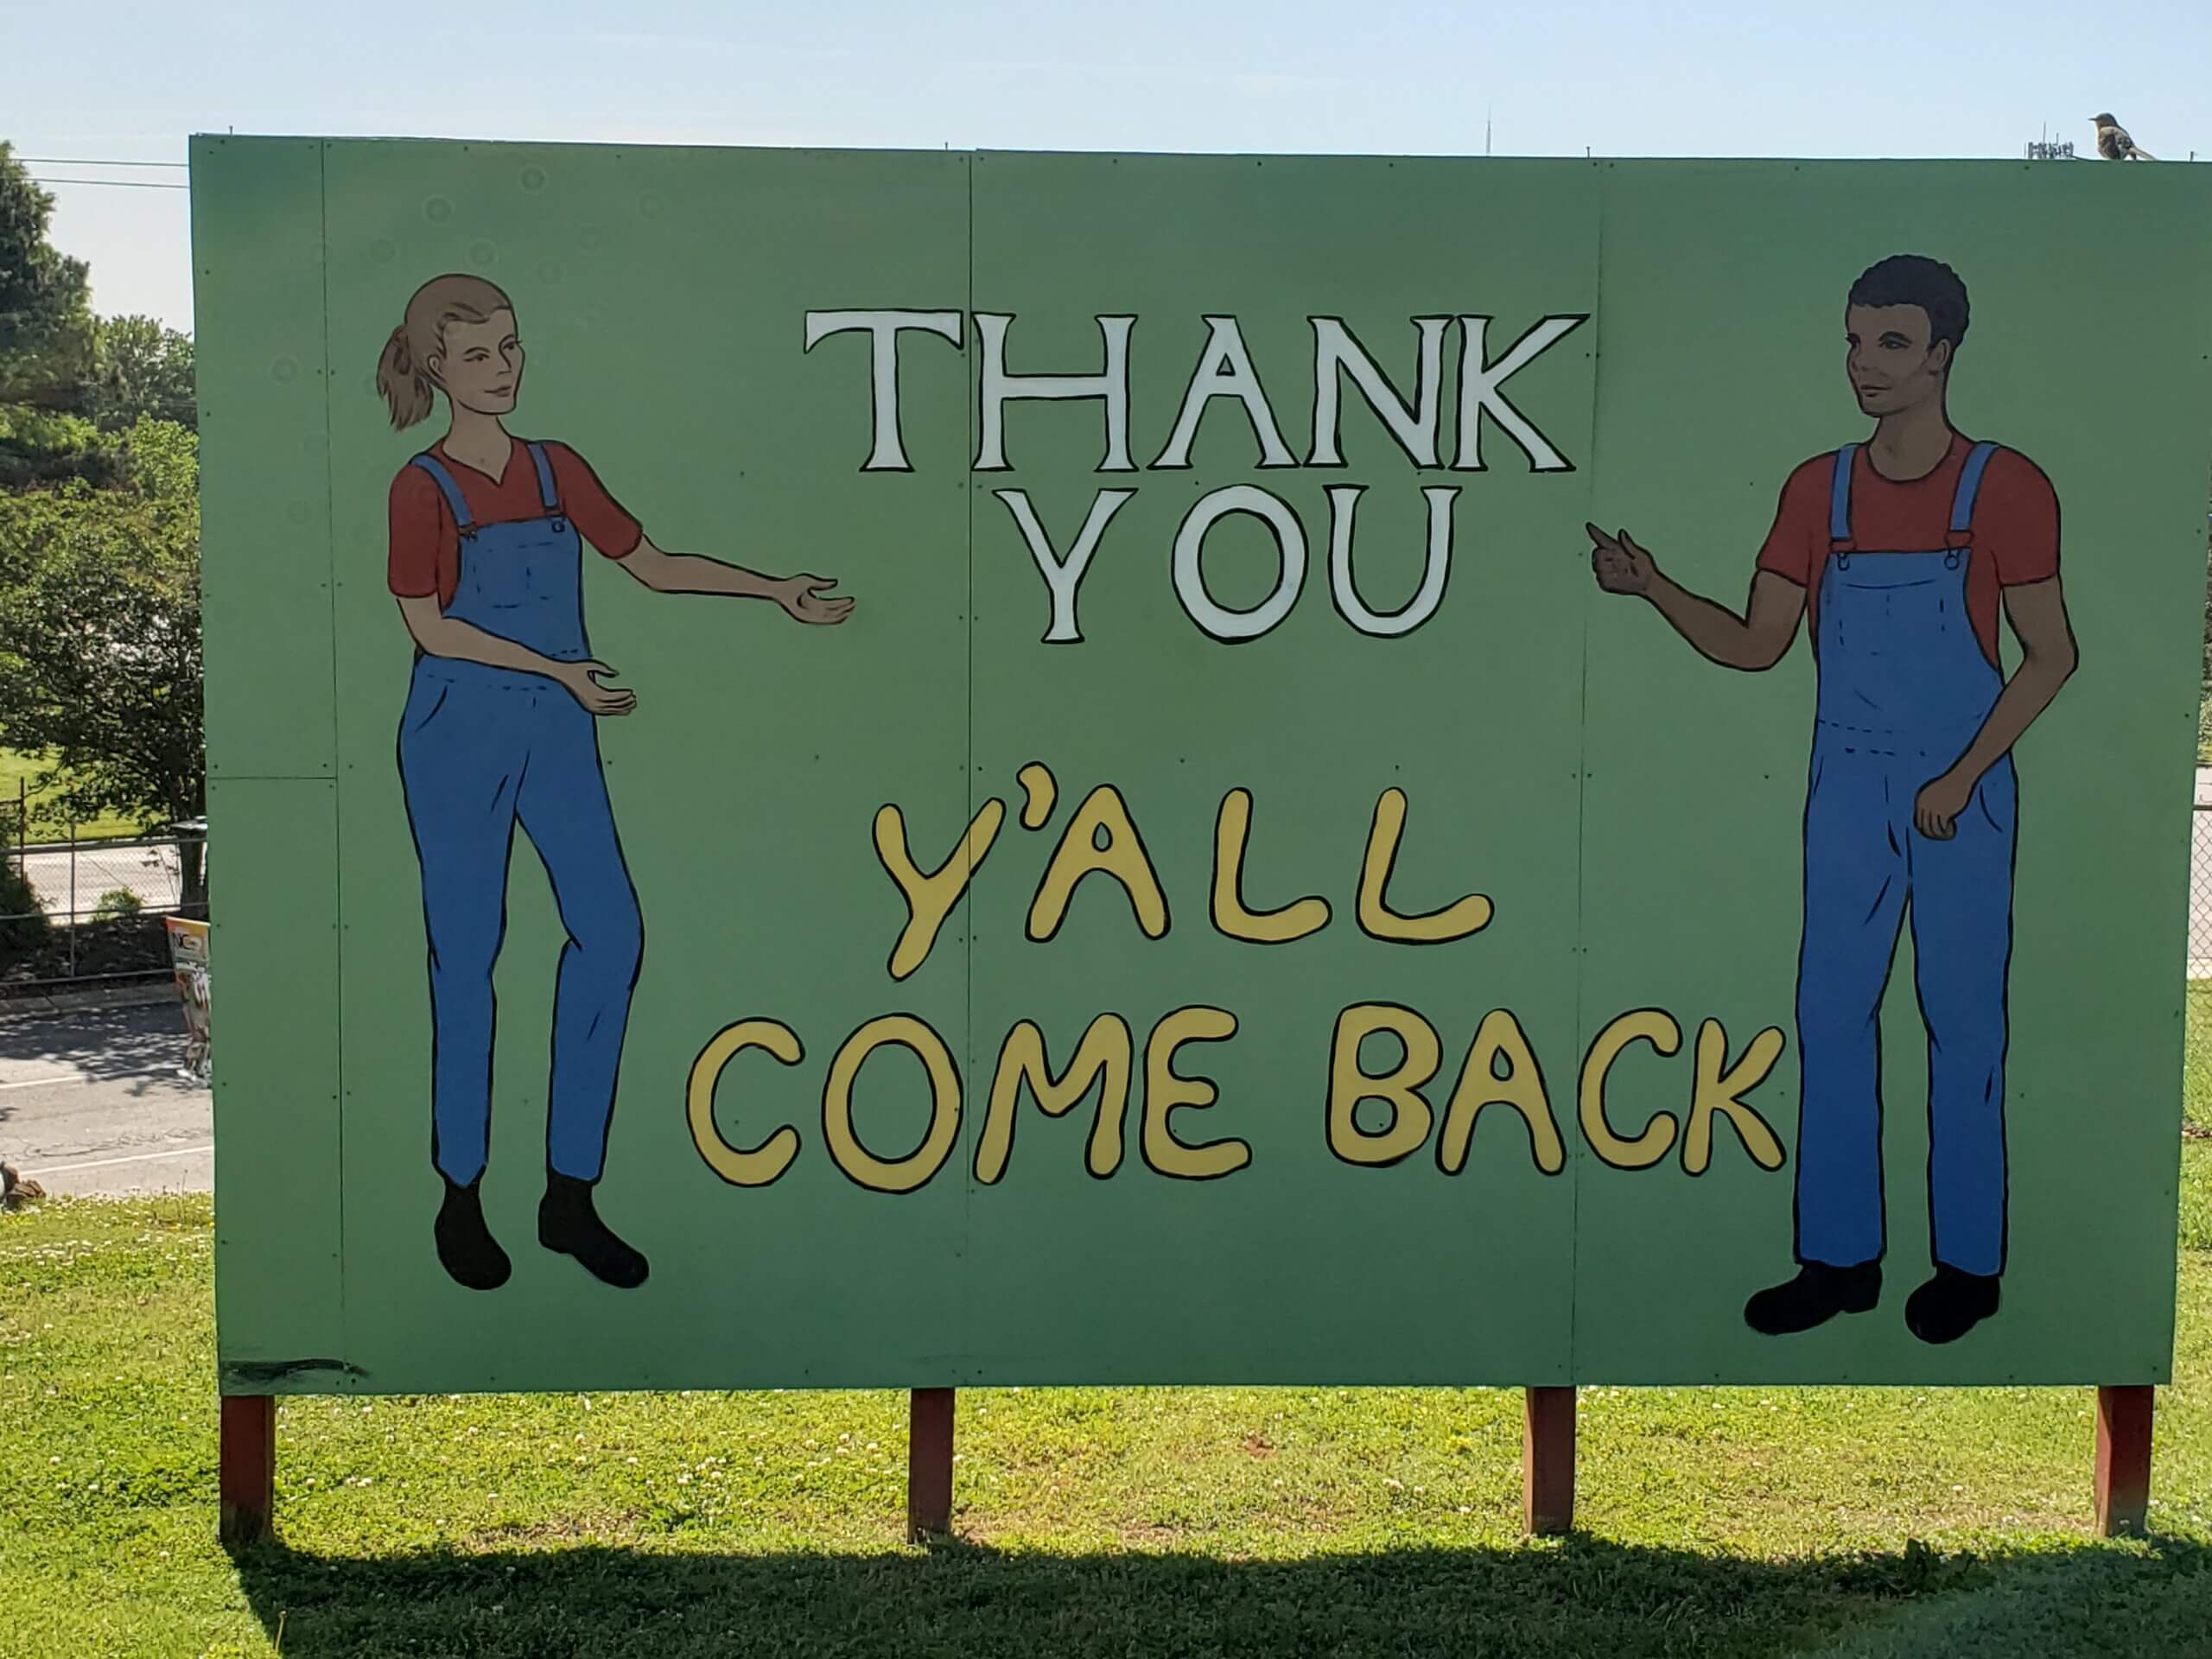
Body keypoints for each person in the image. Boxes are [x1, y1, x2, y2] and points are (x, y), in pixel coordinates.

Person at [1587, 254, 2077, 1344]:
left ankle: (1969, 1266)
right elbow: (1759, 646)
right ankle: (1839, 1258)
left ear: (1943, 353)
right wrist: (1654, 586)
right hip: (1847, 785)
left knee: (1963, 1027)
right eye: (1855, 340)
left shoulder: (2003, 487)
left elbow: (2049, 656)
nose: (1865, 364)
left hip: (1962, 788)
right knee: (1830, 1018)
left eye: (1892, 343)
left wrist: (1958, 776)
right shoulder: (1821, 489)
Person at [378, 273, 855, 1293]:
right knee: (468, 954)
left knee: (611, 933)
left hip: (560, 724)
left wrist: (775, 592)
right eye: (477, 355)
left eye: (510, 346)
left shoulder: (556, 470)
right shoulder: (422, 487)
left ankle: (568, 1196)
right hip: (460, 727)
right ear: (433, 367)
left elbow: (655, 562)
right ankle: (461, 1194)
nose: (501, 368)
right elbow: (427, 625)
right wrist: (555, 669)